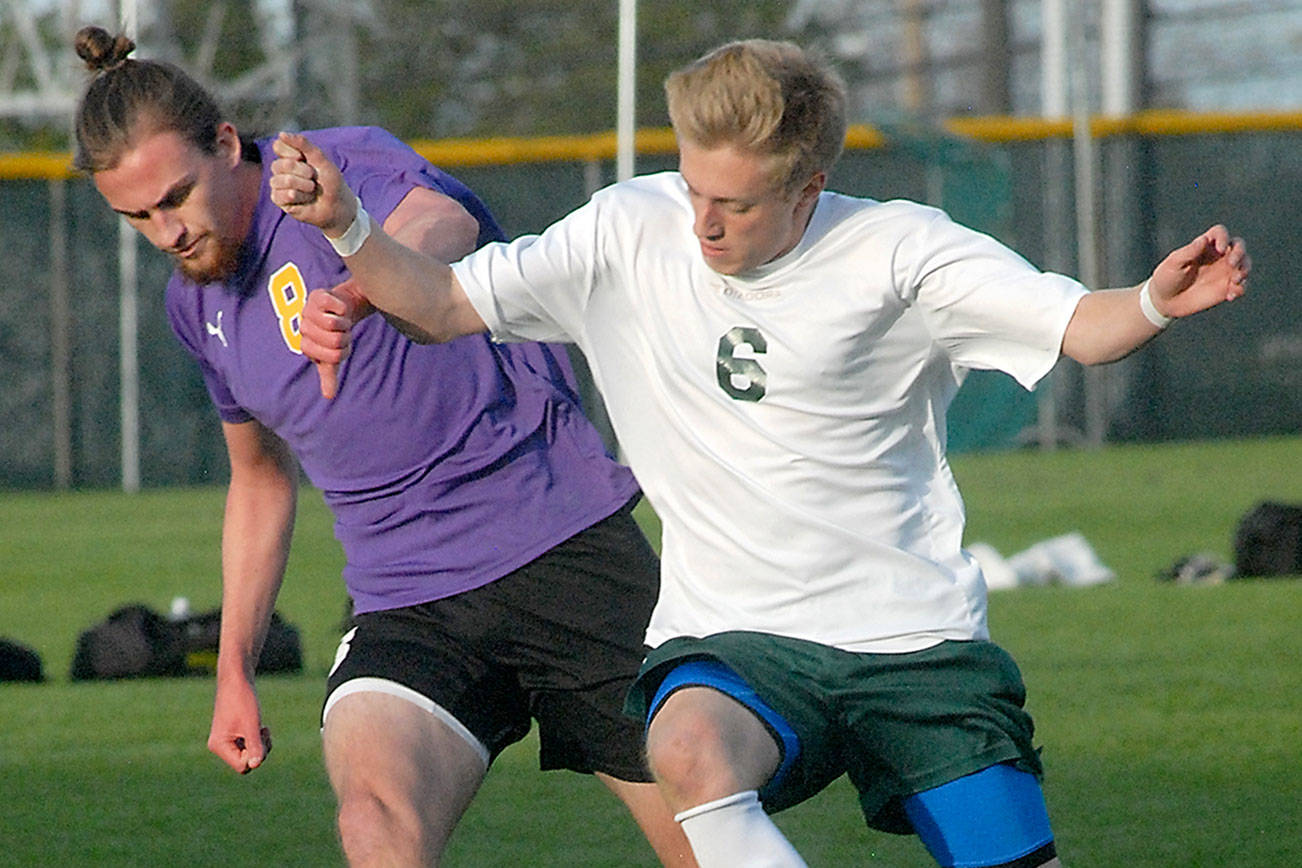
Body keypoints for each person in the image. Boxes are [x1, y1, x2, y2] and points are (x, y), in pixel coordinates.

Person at [271, 39, 1250, 868]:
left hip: (913, 643)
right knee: (685, 745)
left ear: (808, 187)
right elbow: (440, 304)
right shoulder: (626, 233)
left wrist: (1159, 299)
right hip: (738, 640)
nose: (703, 222)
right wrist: (346, 226)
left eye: (735, 204)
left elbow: (1080, 325)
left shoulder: (903, 254)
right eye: (695, 187)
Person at [71, 25, 694, 868]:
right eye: (137, 217)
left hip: (561, 547)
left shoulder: (329, 167)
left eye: (176, 197)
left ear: (225, 144)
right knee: (374, 825)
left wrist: (362, 280)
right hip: (407, 598)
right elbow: (259, 483)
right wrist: (233, 673)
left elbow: (446, 227)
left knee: (712, 840)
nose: (166, 233)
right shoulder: (198, 309)